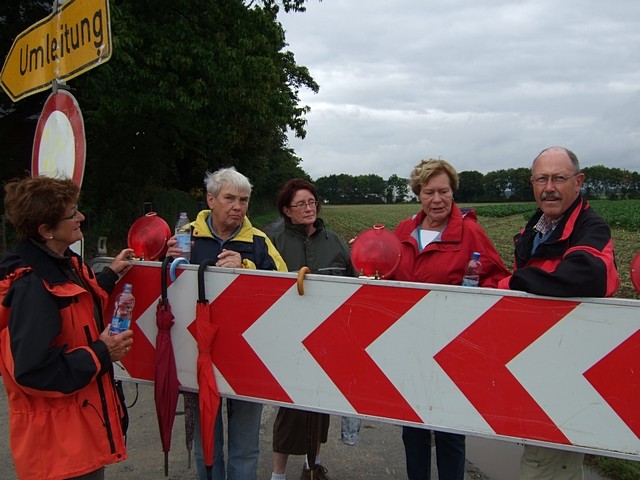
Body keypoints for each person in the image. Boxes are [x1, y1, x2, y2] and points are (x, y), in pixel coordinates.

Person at [496, 146, 620, 480]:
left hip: (568, 372)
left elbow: (589, 276)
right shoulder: (536, 227)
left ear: (578, 182)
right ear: (532, 184)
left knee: (542, 466)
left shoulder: (590, 227)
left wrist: (514, 282)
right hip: (536, 366)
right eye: (541, 179)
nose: (549, 187)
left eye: (559, 178)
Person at [0, 176, 134, 480]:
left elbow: (76, 304)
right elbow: (33, 371)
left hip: (75, 437)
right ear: (46, 231)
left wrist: (109, 276)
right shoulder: (34, 287)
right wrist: (103, 352)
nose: (81, 217)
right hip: (58, 451)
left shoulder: (62, 264)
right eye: (72, 214)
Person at [391, 158, 510, 480]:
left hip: (452, 347)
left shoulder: (470, 232)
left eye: (444, 191)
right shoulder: (404, 230)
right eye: (429, 192)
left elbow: (497, 278)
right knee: (413, 429)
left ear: (453, 192)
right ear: (418, 193)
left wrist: (470, 297)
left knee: (450, 432)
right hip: (410, 345)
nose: (437, 200)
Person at [166, 166, 287, 480]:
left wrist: (245, 267)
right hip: (196, 354)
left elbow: (282, 285)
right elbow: (163, 288)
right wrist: (164, 261)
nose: (238, 206)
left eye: (244, 200)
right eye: (230, 198)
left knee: (245, 445)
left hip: (247, 355)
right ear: (210, 199)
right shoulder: (184, 236)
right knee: (206, 442)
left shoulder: (259, 241)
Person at [268, 179, 357, 480]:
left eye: (312, 203)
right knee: (290, 408)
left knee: (320, 405)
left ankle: (311, 466)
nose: (308, 209)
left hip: (327, 339)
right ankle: (278, 474)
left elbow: (353, 281)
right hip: (289, 339)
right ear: (286, 211)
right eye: (300, 204)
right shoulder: (273, 241)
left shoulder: (334, 242)